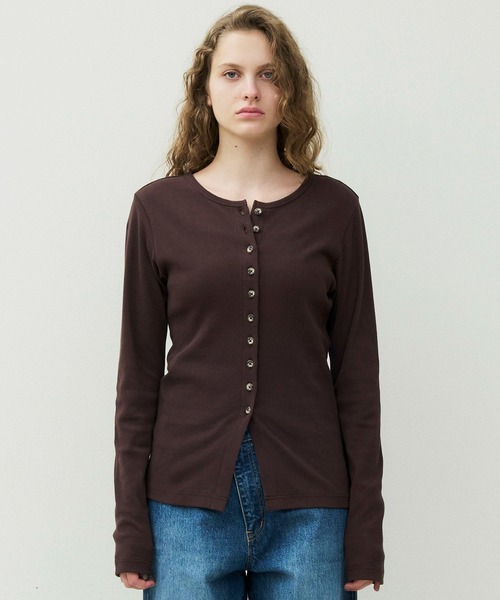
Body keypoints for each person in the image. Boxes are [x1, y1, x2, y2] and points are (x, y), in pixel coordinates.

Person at [114, 5, 384, 599]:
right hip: (183, 508)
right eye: (232, 73)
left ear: (291, 91)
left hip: (312, 508)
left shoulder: (336, 210)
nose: (250, 90)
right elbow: (137, 376)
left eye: (269, 74)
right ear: (205, 91)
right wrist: (131, 523)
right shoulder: (157, 210)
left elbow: (358, 379)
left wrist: (366, 529)